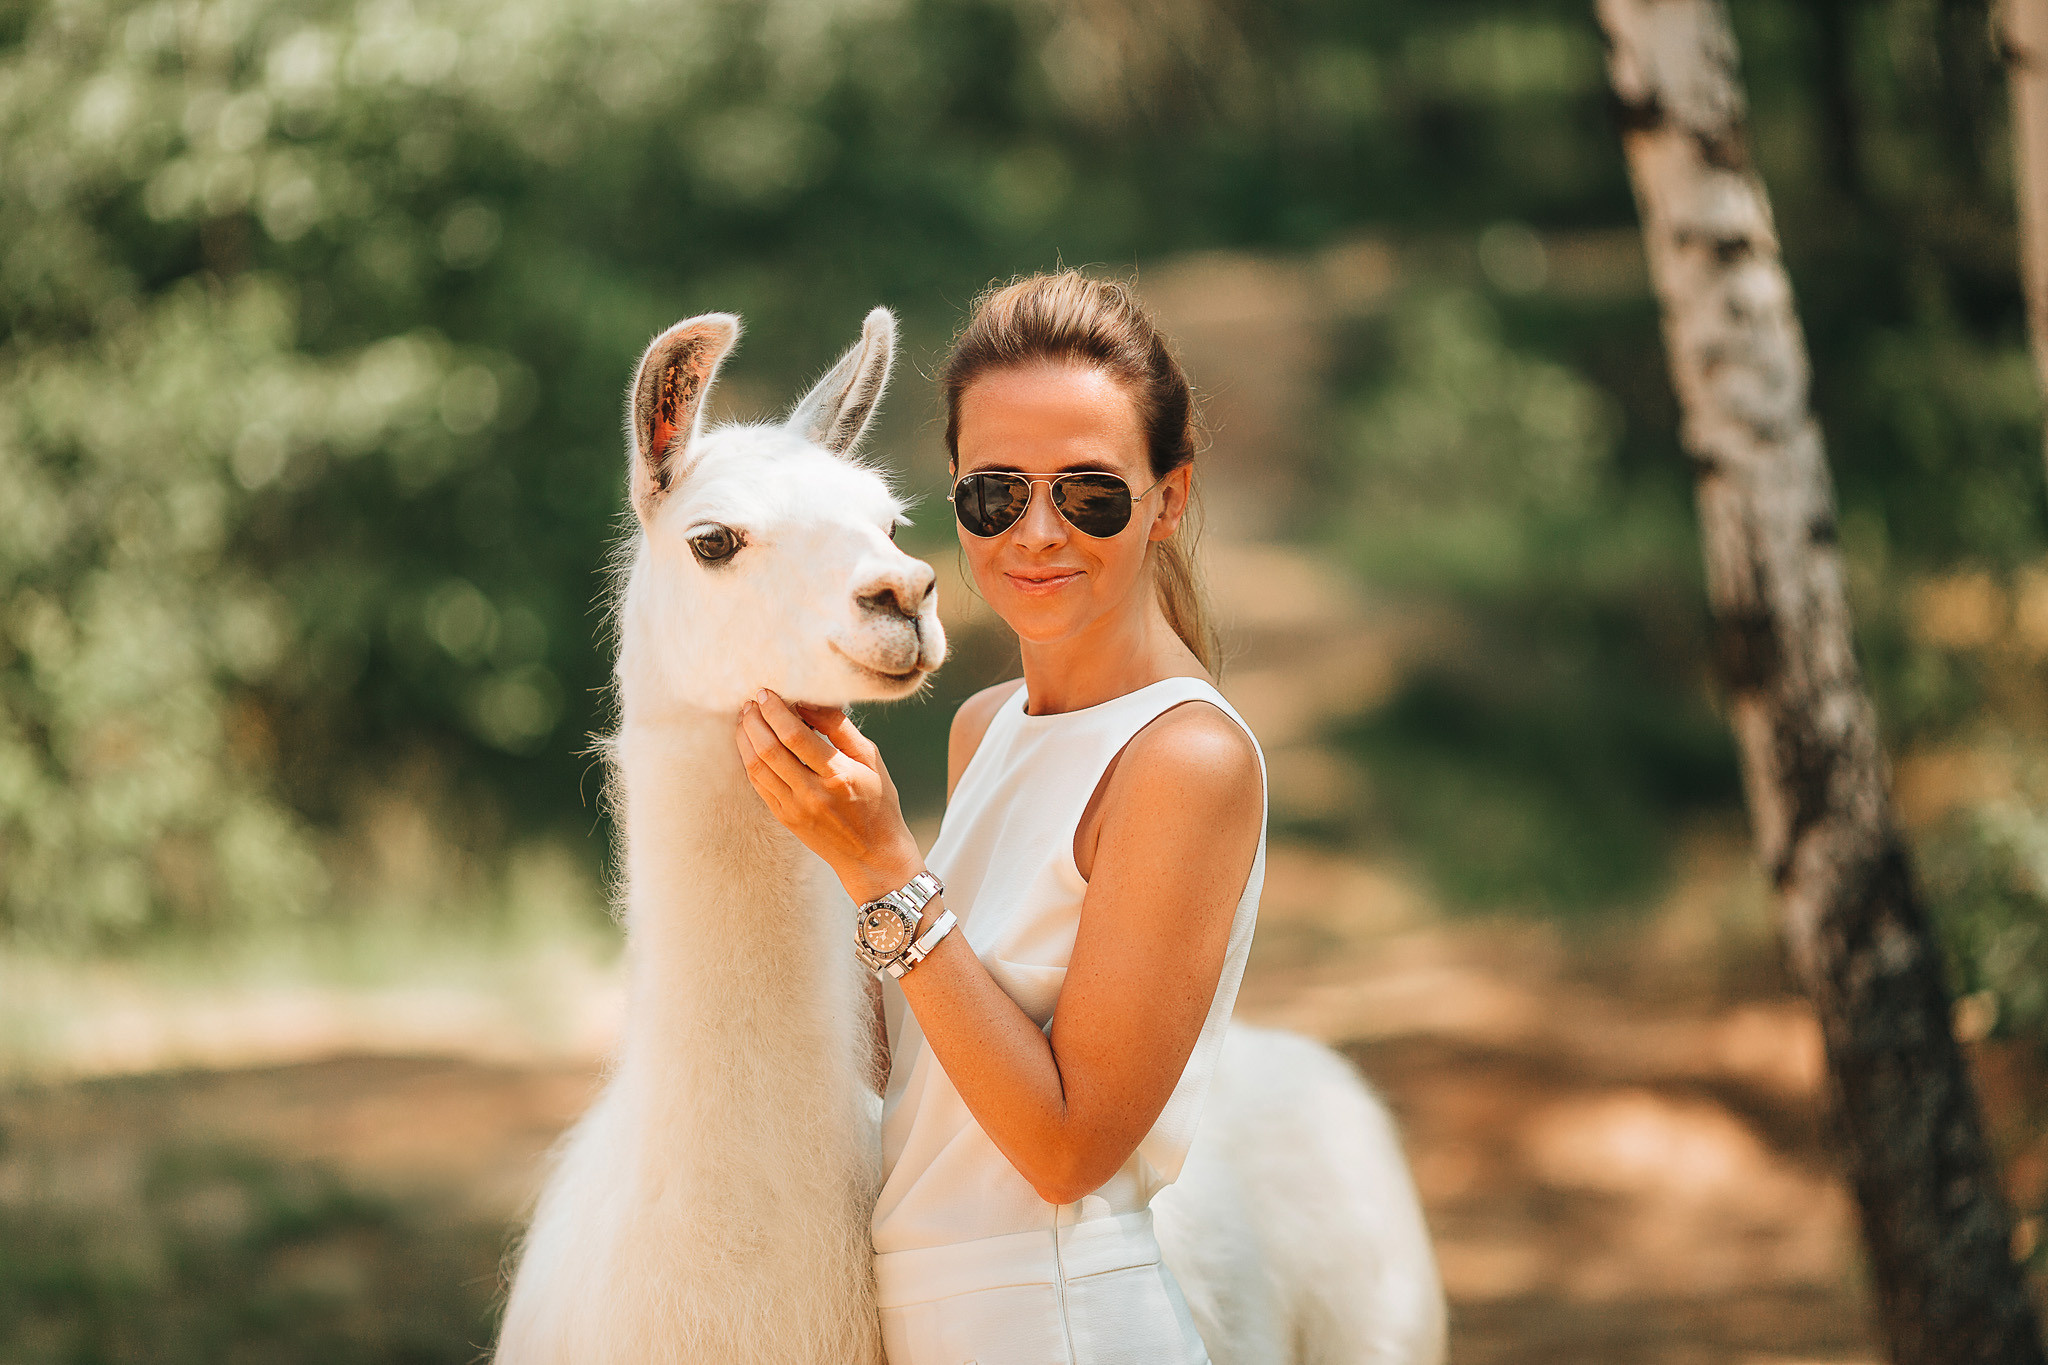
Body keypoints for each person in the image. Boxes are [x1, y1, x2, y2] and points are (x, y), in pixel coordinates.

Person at [733, 269, 1266, 1365]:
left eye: (1089, 493)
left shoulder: (1185, 759)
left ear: (1167, 499)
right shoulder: (985, 724)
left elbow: (1067, 1152)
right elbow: (913, 1065)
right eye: (992, 493)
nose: (1034, 533)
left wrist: (881, 862)